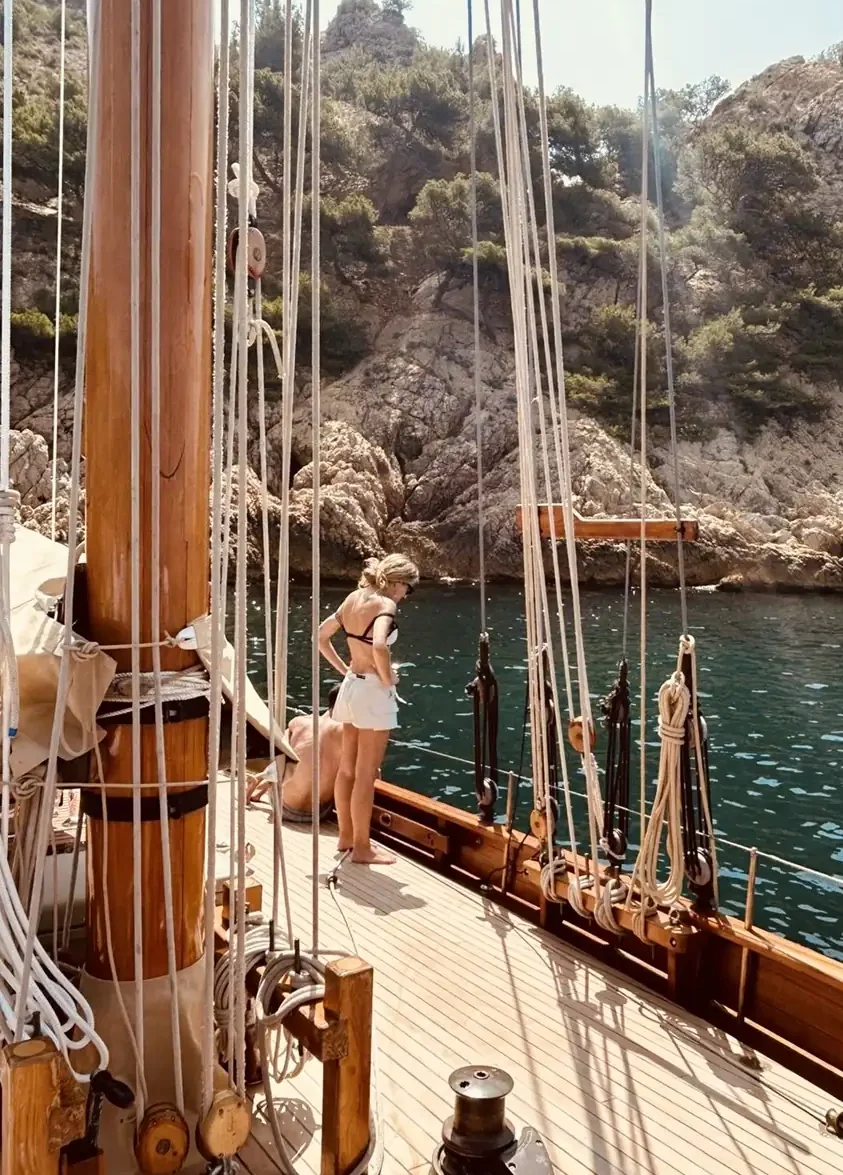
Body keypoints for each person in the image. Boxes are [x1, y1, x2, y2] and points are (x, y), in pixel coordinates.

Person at [318, 553, 419, 865]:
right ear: (396, 582)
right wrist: (389, 679)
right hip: (372, 692)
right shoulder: (386, 605)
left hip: (351, 686)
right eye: (408, 588)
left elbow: (321, 636)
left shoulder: (353, 598)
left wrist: (343, 671)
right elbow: (379, 645)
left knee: (347, 768)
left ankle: (346, 836)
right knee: (365, 773)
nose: (406, 594)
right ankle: (362, 848)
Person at [247, 684, 342, 823]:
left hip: (282, 806)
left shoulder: (299, 722)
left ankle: (261, 784)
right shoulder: (347, 733)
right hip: (319, 813)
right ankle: (261, 785)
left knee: (285, 755)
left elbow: (279, 763)